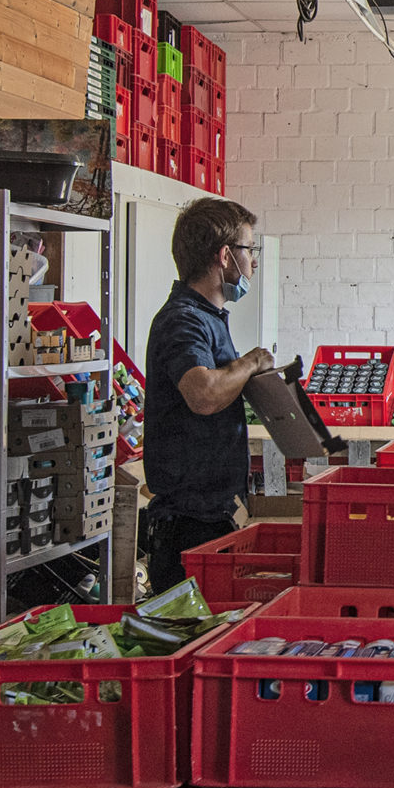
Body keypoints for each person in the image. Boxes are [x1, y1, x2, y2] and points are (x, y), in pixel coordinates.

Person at [141, 197, 275, 593]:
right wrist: (251, 363)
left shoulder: (208, 319)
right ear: (224, 257)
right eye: (249, 251)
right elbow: (202, 395)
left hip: (210, 515)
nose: (253, 262)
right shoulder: (183, 320)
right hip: (187, 525)